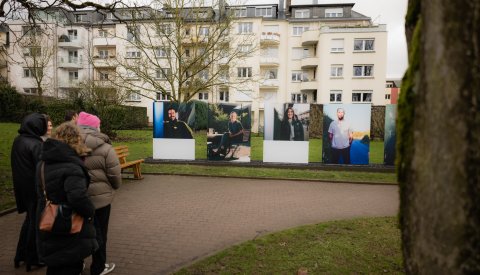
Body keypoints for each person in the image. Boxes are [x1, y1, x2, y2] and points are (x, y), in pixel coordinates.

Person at [36, 122, 98, 275]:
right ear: (76, 140)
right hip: (68, 224)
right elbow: (77, 197)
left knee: (55, 265)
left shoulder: (43, 163)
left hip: (48, 220)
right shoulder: (72, 166)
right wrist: (90, 211)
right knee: (70, 265)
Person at [77, 112, 122, 275]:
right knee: (100, 233)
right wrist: (115, 187)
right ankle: (98, 267)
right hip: (101, 200)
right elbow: (115, 175)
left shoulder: (67, 144)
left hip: (76, 198)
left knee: (77, 231)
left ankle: (77, 264)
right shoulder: (105, 147)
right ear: (95, 127)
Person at [11, 112, 47, 271]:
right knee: (35, 222)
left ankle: (20, 255)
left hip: (22, 188)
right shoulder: (36, 144)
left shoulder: (18, 140)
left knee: (29, 221)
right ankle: (34, 257)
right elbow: (41, 170)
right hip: (34, 189)